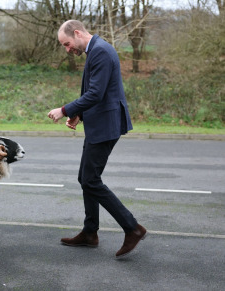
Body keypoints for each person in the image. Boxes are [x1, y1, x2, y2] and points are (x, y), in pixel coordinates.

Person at [48, 20, 147, 259]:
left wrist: (65, 109)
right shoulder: (96, 50)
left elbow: (96, 93)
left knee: (90, 180)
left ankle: (132, 228)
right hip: (99, 123)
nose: (67, 49)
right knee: (86, 178)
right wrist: (79, 114)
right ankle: (90, 232)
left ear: (78, 33)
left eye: (67, 43)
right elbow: (95, 92)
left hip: (106, 125)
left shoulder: (101, 51)